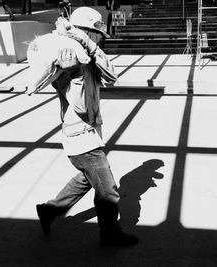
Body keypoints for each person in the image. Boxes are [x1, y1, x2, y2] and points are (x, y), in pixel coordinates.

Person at [33, 7, 138, 247]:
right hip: (80, 138)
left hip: (87, 135)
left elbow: (112, 76)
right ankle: (110, 235)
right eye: (97, 34)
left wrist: (90, 47)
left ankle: (49, 210)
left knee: (86, 179)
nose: (101, 39)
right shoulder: (67, 60)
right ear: (86, 30)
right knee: (108, 192)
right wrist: (75, 72)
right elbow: (80, 106)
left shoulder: (86, 51)